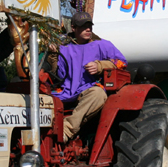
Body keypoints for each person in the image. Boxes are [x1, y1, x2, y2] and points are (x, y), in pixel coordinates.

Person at [50, 11, 127, 141]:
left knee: (97, 94)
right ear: (73, 28)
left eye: (89, 25)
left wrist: (100, 65)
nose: (88, 29)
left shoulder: (102, 44)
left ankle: (67, 130)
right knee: (41, 96)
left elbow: (122, 62)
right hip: (65, 91)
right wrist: (53, 57)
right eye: (83, 26)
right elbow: (59, 75)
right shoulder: (63, 47)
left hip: (89, 89)